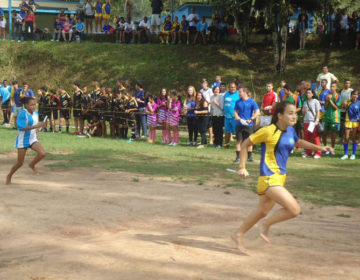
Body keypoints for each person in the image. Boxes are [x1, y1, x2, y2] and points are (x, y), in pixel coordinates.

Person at [232, 101, 334, 252]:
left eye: (295, 113)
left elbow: (299, 142)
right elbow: (246, 143)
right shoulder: (268, 131)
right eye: (290, 113)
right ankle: (266, 224)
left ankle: (238, 234)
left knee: (262, 211)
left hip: (280, 177)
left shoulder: (291, 130)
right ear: (280, 115)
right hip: (269, 177)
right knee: (294, 210)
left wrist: (320, 147)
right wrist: (242, 167)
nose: (295, 116)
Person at [6, 97, 46, 185]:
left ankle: (32, 165)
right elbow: (22, 128)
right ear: (26, 105)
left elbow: (35, 124)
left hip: (32, 139)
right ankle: (9, 175)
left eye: (35, 104)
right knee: (20, 163)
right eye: (31, 105)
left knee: (42, 153)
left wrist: (37, 131)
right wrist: (36, 126)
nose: (34, 106)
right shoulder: (22, 114)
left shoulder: (36, 113)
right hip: (22, 140)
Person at [234, 87, 259, 162]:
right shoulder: (238, 101)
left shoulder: (252, 102)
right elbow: (235, 111)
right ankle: (238, 157)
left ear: (245, 92)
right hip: (239, 124)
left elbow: (257, 111)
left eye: (240, 92)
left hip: (249, 125)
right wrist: (237, 117)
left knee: (249, 141)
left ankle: (249, 157)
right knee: (239, 141)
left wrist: (251, 119)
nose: (239, 93)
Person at [302, 89, 322, 159]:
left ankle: (318, 153)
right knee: (307, 138)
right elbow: (303, 112)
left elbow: (318, 111)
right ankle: (308, 152)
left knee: (315, 137)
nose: (308, 94)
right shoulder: (305, 102)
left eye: (309, 93)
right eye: (307, 93)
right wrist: (305, 110)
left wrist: (317, 120)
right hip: (306, 121)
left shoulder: (316, 101)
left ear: (313, 94)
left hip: (312, 122)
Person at [341, 90, 360, 160]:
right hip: (348, 121)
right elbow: (340, 107)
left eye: (356, 94)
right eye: (354, 94)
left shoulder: (359, 103)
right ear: (351, 95)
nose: (355, 96)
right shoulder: (347, 101)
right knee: (346, 138)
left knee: (354, 138)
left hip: (355, 122)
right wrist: (343, 104)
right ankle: (345, 154)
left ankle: (353, 154)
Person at [323, 82, 341, 154]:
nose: (331, 88)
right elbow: (325, 107)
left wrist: (330, 100)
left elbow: (336, 107)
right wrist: (327, 101)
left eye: (333, 86)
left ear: (336, 87)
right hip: (327, 116)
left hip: (334, 117)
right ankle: (325, 149)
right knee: (324, 133)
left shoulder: (337, 96)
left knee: (332, 134)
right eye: (331, 86)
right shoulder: (327, 95)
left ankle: (332, 149)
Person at [223, 82, 240, 148]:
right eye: (231, 87)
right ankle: (227, 144)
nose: (232, 88)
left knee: (237, 131)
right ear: (229, 88)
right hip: (227, 116)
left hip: (235, 116)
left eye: (234, 87)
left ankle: (239, 145)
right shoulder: (226, 94)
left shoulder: (238, 93)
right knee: (227, 131)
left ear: (236, 87)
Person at [200, 79, 214, 145]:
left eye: (205, 83)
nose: (203, 85)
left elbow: (212, 98)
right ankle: (203, 139)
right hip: (202, 109)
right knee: (203, 125)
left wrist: (208, 103)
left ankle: (211, 139)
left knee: (209, 125)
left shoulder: (210, 90)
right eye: (202, 84)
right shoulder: (201, 91)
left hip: (209, 109)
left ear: (207, 84)